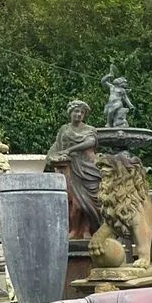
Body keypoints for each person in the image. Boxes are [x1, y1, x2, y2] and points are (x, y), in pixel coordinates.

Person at [46, 100, 102, 238]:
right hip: (69, 169)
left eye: (82, 112)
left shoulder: (90, 130)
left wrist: (70, 150)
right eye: (76, 111)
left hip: (88, 168)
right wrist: (51, 156)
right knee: (74, 203)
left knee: (89, 202)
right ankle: (74, 229)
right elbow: (57, 147)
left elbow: (90, 142)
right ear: (70, 113)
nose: (79, 114)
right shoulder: (64, 130)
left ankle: (87, 229)